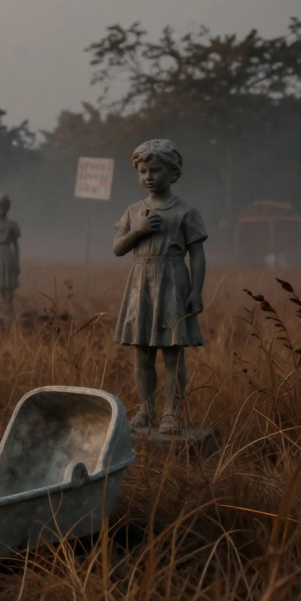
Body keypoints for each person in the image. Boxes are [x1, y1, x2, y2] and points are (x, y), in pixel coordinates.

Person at [112, 139, 207, 435]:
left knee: (173, 352)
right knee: (142, 353)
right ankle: (147, 409)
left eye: (154, 170)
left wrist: (196, 291)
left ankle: (172, 413)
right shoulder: (133, 211)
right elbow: (117, 248)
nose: (148, 177)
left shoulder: (186, 212)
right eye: (142, 171)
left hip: (174, 284)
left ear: (172, 171)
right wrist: (138, 231)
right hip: (141, 284)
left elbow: (198, 256)